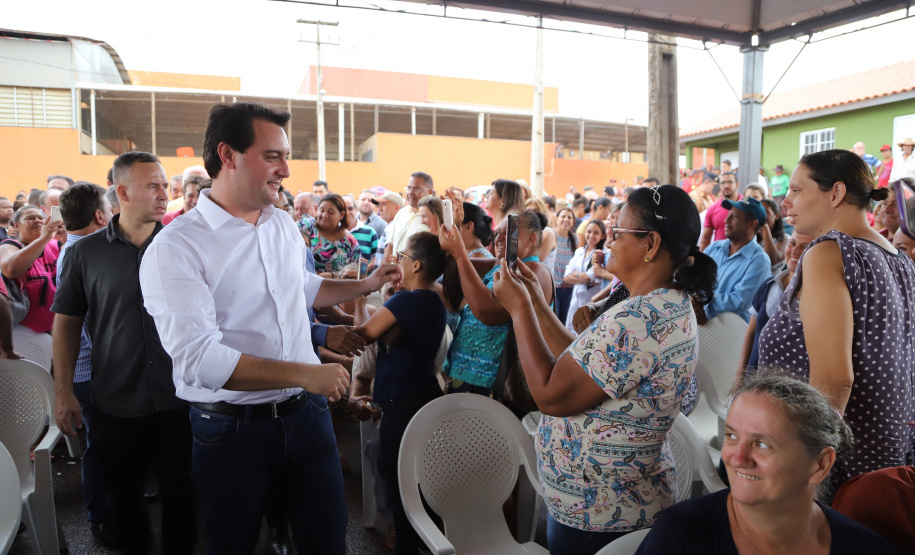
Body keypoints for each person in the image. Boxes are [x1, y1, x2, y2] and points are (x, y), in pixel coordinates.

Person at [138, 102, 401, 554]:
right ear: (228, 155)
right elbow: (200, 360)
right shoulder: (176, 248)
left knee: (327, 542)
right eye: (273, 155)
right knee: (231, 545)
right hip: (232, 431)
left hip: (308, 419)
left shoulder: (280, 223)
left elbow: (299, 288)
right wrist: (304, 372)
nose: (286, 168)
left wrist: (368, 282)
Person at [491, 185, 716, 554]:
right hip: (614, 501)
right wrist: (533, 299)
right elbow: (585, 364)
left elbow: (550, 393)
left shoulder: (638, 319)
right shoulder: (658, 301)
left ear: (651, 244)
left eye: (618, 232)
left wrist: (518, 311)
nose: (607, 239)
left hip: (601, 511)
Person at [52, 152, 197, 554]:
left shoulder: (181, 246)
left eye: (165, 185)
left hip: (179, 395)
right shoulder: (84, 253)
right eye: (153, 185)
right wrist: (63, 392)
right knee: (126, 502)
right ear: (122, 192)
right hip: (116, 400)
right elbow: (66, 324)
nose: (164, 194)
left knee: (183, 497)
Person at [758, 149, 915, 486]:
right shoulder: (897, 258)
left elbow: (834, 379)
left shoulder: (830, 251)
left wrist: (810, 469)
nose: (786, 203)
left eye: (797, 191)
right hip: (884, 451)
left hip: (836, 457)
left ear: (836, 193)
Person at [636, 375, 900, 555]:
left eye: (763, 444)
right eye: (732, 436)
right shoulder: (681, 534)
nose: (737, 458)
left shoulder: (867, 548)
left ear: (820, 465)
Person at [350, 232, 447, 555]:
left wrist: (353, 301)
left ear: (416, 265)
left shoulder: (404, 301)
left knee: (400, 486)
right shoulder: (434, 300)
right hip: (425, 398)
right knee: (424, 483)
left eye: (403, 257)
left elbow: (361, 336)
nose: (398, 261)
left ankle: (407, 546)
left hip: (401, 405)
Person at [55, 182, 116, 546]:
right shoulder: (81, 254)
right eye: (109, 211)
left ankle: (111, 505)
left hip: (93, 370)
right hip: (92, 370)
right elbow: (86, 322)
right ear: (99, 215)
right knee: (102, 445)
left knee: (109, 442)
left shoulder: (74, 249)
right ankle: (101, 515)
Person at [439, 209, 554, 396]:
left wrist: (460, 254)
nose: (499, 239)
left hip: (495, 383)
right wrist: (454, 231)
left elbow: (487, 312)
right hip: (468, 375)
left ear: (532, 240)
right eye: (498, 232)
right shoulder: (500, 265)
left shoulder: (534, 271)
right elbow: (453, 267)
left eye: (508, 233)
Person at [738, 230, 815, 378]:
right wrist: (740, 376)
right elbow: (751, 333)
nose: (795, 251)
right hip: (755, 378)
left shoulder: (818, 297)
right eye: (792, 243)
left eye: (805, 247)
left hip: (791, 387)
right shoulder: (768, 285)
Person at [697, 197, 771, 324]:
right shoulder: (714, 248)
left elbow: (739, 300)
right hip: (701, 325)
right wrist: (695, 300)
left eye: (734, 217)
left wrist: (701, 304)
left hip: (734, 335)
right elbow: (696, 280)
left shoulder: (759, 260)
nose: (726, 220)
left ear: (752, 223)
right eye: (728, 215)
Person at [0, 205, 63, 333]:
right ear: (17, 226)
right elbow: (10, 270)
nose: (38, 221)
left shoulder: (56, 245)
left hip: (60, 328)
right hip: (26, 334)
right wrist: (44, 238)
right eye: (30, 218)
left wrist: (65, 235)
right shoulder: (10, 245)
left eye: (41, 218)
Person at [299, 193, 360, 277]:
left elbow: (356, 270)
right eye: (322, 210)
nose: (324, 215)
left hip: (336, 287)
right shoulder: (305, 226)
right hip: (304, 282)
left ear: (342, 215)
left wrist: (333, 276)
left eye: (331, 212)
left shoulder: (350, 241)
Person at [562, 219, 605, 332]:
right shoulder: (579, 251)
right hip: (574, 302)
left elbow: (589, 277)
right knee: (569, 335)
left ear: (602, 236)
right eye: (589, 232)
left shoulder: (600, 255)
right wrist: (582, 277)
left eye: (596, 233)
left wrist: (576, 274)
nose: (591, 235)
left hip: (589, 303)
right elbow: (566, 276)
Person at [383, 172, 433, 261]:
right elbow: (390, 247)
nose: (410, 193)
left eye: (417, 189)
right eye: (409, 188)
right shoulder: (402, 213)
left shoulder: (434, 218)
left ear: (430, 192)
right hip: (395, 273)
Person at [700, 171, 742, 250]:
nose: (726, 185)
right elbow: (705, 239)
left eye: (730, 182)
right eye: (722, 183)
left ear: (737, 184)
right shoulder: (712, 209)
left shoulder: (746, 206)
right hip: (718, 256)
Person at [551, 207, 578, 324]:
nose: (566, 219)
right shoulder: (551, 235)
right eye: (563, 216)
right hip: (553, 287)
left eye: (569, 217)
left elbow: (576, 262)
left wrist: (570, 278)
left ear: (573, 222)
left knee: (564, 322)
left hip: (568, 288)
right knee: (553, 322)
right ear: (557, 219)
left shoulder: (575, 239)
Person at [343, 194, 379, 265]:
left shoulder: (370, 232)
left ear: (356, 210)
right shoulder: (333, 231)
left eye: (350, 209)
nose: (347, 212)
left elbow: (377, 255)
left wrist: (364, 271)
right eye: (343, 209)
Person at [757, 198, 788, 272]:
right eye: (758, 212)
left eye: (765, 212)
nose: (760, 215)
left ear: (776, 216)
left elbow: (773, 260)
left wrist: (765, 228)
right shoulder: (751, 236)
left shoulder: (784, 238)